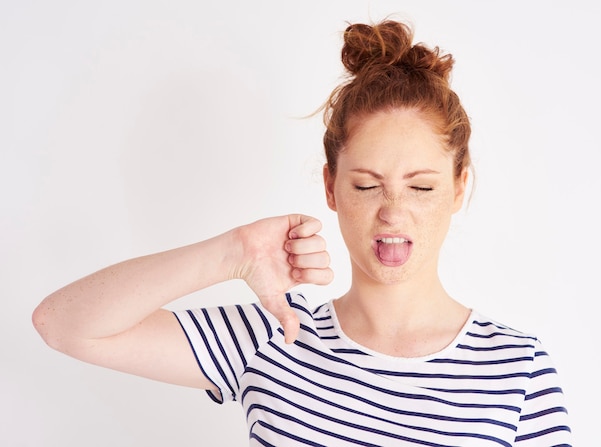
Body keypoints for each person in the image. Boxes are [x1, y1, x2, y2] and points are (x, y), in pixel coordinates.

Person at [32, 19, 572, 446]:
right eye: (366, 186)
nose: (392, 211)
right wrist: (233, 252)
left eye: (421, 188)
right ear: (331, 187)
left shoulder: (517, 370)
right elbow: (63, 324)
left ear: (458, 189)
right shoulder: (274, 337)